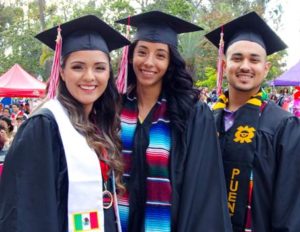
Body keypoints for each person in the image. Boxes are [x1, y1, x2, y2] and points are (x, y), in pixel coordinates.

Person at [0, 15, 130, 232]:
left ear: (109, 73)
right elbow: (24, 213)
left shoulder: (101, 124)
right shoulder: (44, 126)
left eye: (99, 68)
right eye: (78, 67)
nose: (90, 77)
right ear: (61, 71)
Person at [115, 11, 231, 232]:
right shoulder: (115, 110)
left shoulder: (191, 114)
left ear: (170, 62)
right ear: (130, 57)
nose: (149, 62)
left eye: (160, 55)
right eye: (142, 52)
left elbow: (202, 190)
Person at [205, 11, 300, 231]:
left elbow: (290, 206)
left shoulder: (284, 127)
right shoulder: (207, 119)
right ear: (224, 63)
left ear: (265, 68)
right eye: (237, 58)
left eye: (254, 60)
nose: (245, 66)